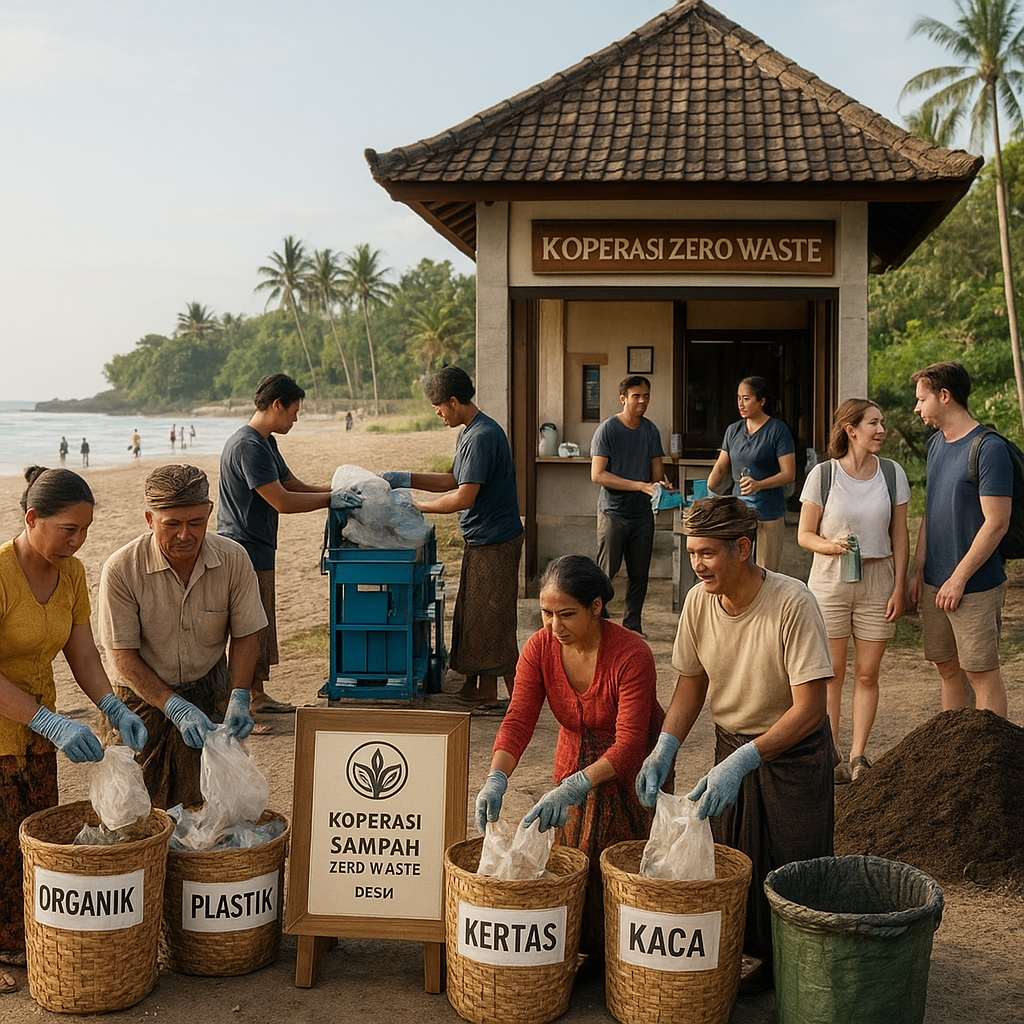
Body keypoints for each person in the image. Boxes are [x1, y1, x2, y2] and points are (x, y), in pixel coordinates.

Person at [635, 496, 833, 996]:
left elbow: (810, 709)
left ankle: (794, 970)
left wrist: (748, 758)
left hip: (793, 754)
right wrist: (665, 747)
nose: (696, 564)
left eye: (707, 553)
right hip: (731, 746)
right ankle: (744, 957)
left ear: (742, 547)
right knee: (735, 858)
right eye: (691, 552)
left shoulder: (793, 603)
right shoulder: (699, 603)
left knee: (792, 866)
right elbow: (691, 684)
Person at [1, 467, 147, 988]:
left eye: (84, 530)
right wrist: (47, 719)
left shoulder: (73, 574)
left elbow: (82, 651)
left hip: (36, 737)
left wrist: (112, 705)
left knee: (30, 843)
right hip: (14, 726)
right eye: (68, 529)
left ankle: (22, 946)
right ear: (32, 518)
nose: (78, 540)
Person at [474, 555, 664, 954]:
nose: (554, 626)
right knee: (573, 860)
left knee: (621, 867)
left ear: (596, 606)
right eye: (546, 613)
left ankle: (619, 957)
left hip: (630, 772)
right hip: (571, 759)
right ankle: (580, 950)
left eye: (566, 614)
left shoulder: (631, 654)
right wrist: (497, 777)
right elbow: (518, 720)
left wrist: (578, 784)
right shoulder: (540, 648)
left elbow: (630, 743)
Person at [98, 465, 267, 808]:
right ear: (150, 519)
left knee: (211, 802)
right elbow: (123, 656)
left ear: (209, 513)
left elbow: (248, 633)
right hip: (140, 696)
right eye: (171, 524)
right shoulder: (121, 570)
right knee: (140, 807)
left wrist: (239, 695)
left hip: (209, 683)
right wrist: (171, 704)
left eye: (195, 522)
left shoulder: (234, 560)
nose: (185, 535)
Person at [382, 365, 523, 710]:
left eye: (439, 408)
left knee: (494, 618)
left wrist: (417, 506)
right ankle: (483, 690)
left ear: (455, 401)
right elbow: (452, 479)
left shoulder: (481, 437)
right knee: (476, 615)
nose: (439, 415)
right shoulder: (470, 432)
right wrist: (405, 478)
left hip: (496, 540)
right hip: (483, 538)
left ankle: (520, 698)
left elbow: (463, 498)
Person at [798, 400, 910, 783]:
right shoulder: (823, 475)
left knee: (867, 674)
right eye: (873, 423)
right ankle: (831, 756)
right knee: (831, 675)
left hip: (878, 579)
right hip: (830, 579)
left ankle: (859, 756)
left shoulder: (893, 474)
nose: (881, 429)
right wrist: (833, 546)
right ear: (850, 429)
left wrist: (899, 587)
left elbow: (900, 534)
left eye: (881, 422)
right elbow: (804, 534)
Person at [217, 374, 333, 715]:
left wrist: (334, 490)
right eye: (294, 410)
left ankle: (257, 694)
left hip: (261, 546)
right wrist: (331, 500)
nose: (296, 418)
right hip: (244, 549)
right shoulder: (248, 446)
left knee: (260, 621)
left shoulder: (265, 442)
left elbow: (290, 482)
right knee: (246, 627)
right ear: (277, 405)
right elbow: (281, 499)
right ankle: (244, 706)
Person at [907, 361, 1011, 717]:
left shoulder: (988, 449)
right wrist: (919, 569)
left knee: (981, 674)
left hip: (974, 585)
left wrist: (959, 577)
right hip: (937, 582)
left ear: (945, 396)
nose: (917, 407)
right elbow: (932, 511)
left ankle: (993, 767)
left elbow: (996, 523)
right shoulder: (936, 444)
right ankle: (957, 759)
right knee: (947, 669)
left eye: (922, 399)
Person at [590, 375, 672, 636]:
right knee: (606, 572)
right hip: (613, 513)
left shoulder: (650, 430)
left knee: (640, 575)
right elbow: (598, 475)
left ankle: (633, 627)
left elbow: (657, 472)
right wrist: (639, 485)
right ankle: (596, 623)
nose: (642, 401)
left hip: (642, 514)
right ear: (623, 398)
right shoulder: (608, 429)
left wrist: (663, 484)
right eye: (637, 396)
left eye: (646, 396)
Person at [706, 376, 795, 572]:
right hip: (739, 514)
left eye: (746, 398)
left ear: (761, 401)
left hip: (768, 513)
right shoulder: (733, 430)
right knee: (737, 569)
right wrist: (706, 492)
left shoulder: (778, 430)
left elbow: (789, 473)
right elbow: (721, 466)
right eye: (738, 398)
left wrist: (759, 484)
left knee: (765, 573)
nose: (741, 403)